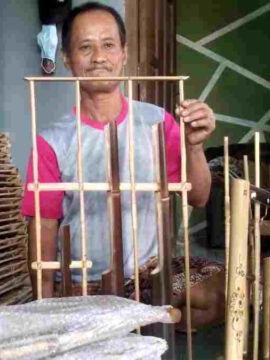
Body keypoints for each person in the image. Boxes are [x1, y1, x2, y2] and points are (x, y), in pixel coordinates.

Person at [21, 2, 225, 330]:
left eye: (108, 45)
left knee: (226, 291)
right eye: (85, 47)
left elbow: (198, 196)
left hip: (150, 276)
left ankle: (148, 322)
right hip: (85, 283)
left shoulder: (158, 122)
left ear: (124, 54)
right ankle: (131, 324)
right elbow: (43, 233)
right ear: (68, 60)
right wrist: (44, 311)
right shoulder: (52, 141)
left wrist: (194, 145)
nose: (98, 57)